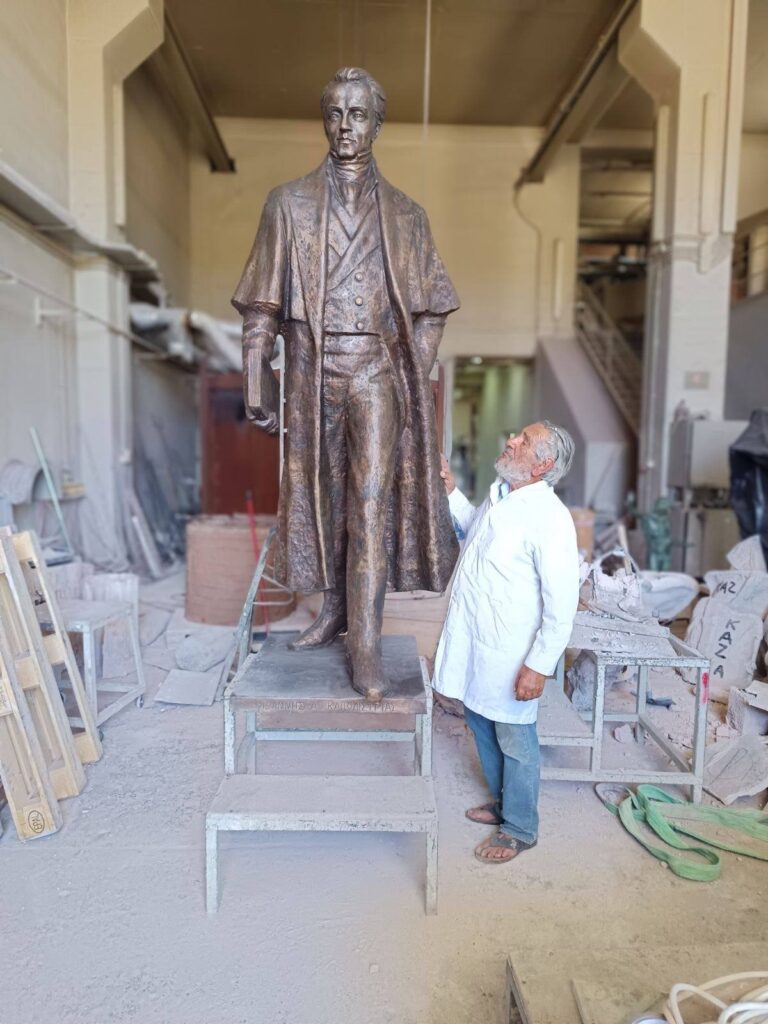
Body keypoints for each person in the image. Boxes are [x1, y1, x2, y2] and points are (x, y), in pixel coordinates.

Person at [232, 68, 460, 702]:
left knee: (370, 501)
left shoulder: (407, 215)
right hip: (313, 372)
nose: (344, 127)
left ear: (377, 124)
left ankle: (365, 644)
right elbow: (261, 304)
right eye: (334, 113)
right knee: (323, 498)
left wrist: (410, 369)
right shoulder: (288, 203)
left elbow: (433, 308)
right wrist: (256, 373)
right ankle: (336, 610)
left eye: (357, 115)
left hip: (377, 372)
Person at [434, 421, 579, 864]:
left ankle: (520, 828)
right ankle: (503, 803)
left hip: (511, 651)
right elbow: (471, 529)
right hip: (479, 643)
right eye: (516, 436)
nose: (511, 440)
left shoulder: (550, 517)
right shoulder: (502, 495)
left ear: (543, 465)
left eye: (524, 441)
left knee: (515, 737)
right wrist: (451, 491)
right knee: (481, 721)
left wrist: (539, 665)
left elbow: (562, 604)